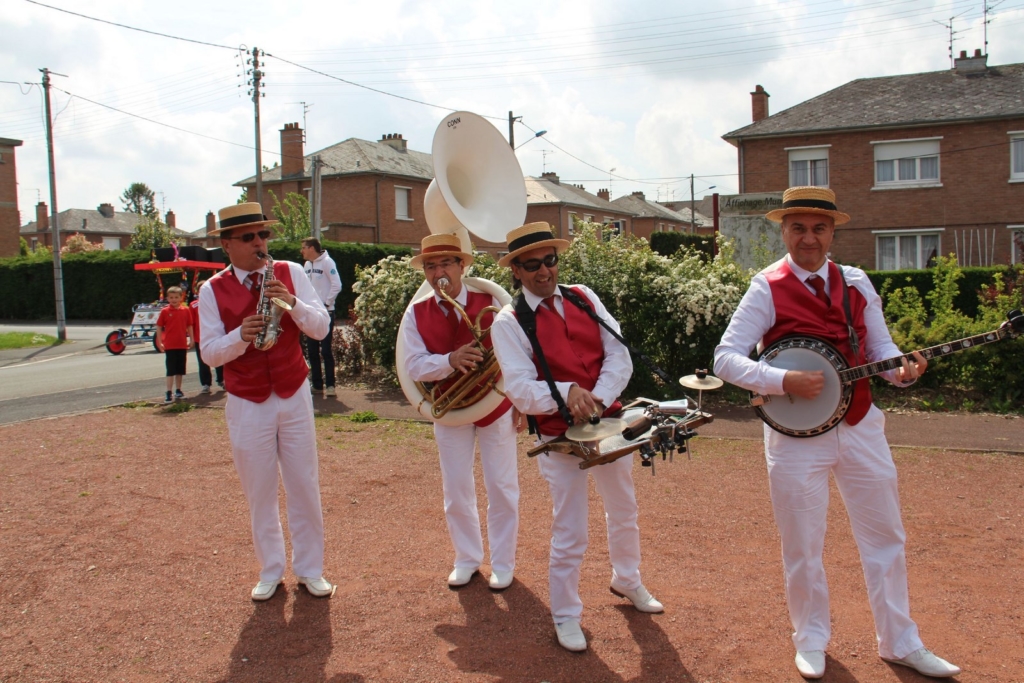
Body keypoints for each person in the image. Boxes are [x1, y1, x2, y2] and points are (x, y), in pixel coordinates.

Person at [713, 187, 960, 679]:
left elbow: (880, 347)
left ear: (832, 232)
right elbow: (725, 358)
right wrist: (782, 380)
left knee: (886, 535)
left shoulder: (856, 282)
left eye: (819, 228)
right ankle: (810, 639)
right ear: (784, 231)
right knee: (802, 542)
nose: (809, 238)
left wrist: (900, 372)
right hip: (796, 437)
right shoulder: (765, 286)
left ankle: (900, 641)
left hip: (862, 424)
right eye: (799, 227)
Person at [490, 222, 662, 653]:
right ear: (516, 271)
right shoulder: (508, 322)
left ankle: (627, 579)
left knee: (625, 511)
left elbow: (618, 354)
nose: (544, 271)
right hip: (559, 439)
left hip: (609, 424)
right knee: (570, 530)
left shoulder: (583, 296)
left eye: (550, 260)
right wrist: (569, 393)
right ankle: (566, 614)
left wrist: (599, 400)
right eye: (532, 265)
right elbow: (520, 389)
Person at [199, 202, 333, 602]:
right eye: (249, 237)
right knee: (259, 490)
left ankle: (311, 569)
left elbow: (322, 329)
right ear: (227, 245)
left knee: (304, 485)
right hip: (247, 401)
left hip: (293, 394)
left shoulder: (289, 272)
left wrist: (292, 302)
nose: (259, 243)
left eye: (263, 235)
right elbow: (208, 353)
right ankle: (271, 570)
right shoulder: (211, 290)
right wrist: (240, 336)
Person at [399, 233, 520, 590]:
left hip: (495, 404)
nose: (439, 272)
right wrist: (450, 361)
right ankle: (466, 559)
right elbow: (414, 366)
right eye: (430, 266)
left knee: (502, 485)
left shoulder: (493, 302)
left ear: (462, 266)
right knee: (456, 488)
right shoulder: (415, 313)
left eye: (446, 263)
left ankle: (502, 562)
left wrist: (520, 402)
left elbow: (520, 354)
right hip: (451, 408)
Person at [301, 238, 342, 397]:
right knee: (311, 351)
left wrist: (326, 304)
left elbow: (336, 284)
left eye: (304, 248)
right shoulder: (306, 265)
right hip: (311, 313)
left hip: (326, 313)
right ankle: (317, 385)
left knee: (325, 350)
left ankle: (330, 385)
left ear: (312, 248)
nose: (302, 251)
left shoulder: (327, 262)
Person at [155, 285, 193, 404]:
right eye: (171, 297)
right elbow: (159, 326)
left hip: (181, 344)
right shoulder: (165, 311)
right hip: (170, 345)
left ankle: (178, 390)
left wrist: (192, 339)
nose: (174, 300)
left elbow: (189, 325)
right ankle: (168, 391)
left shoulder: (186, 310)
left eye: (176, 297)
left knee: (180, 369)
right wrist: (160, 341)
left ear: (181, 298)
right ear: (167, 298)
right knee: (170, 369)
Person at [190, 279, 224, 393]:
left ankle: (221, 380)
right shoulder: (194, 305)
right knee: (202, 362)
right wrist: (191, 337)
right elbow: (191, 322)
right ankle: (205, 383)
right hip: (199, 337)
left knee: (219, 358)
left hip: (215, 335)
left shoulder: (217, 302)